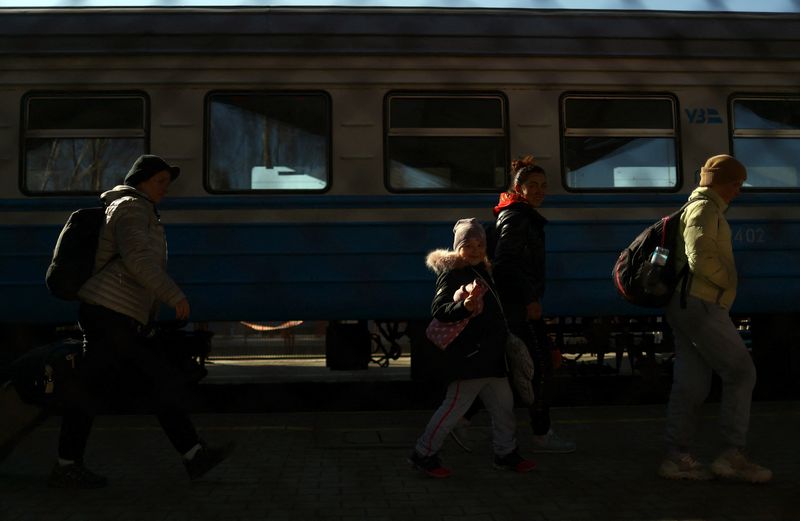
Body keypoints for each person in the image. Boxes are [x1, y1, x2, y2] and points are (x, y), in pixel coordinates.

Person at [49, 154, 234, 489]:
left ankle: (193, 454)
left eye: (167, 182)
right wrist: (173, 294)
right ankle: (68, 465)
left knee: (148, 384)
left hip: (117, 316)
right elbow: (137, 259)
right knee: (147, 384)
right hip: (110, 315)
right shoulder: (132, 208)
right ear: (142, 181)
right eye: (160, 181)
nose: (165, 188)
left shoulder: (137, 209)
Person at [657, 154, 771, 483]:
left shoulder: (703, 208)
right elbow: (701, 258)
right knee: (741, 373)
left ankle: (676, 456)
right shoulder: (705, 209)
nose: (738, 190)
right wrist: (730, 281)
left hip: (687, 304)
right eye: (735, 184)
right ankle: (732, 454)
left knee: (692, 384)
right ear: (720, 183)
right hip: (701, 303)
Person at [408, 218, 536, 478]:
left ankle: (505, 453)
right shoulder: (454, 272)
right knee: (453, 408)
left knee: (504, 407)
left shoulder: (482, 271)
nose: (475, 249)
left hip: (491, 357)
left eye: (480, 244)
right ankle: (423, 453)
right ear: (458, 247)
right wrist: (463, 307)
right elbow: (440, 309)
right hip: (470, 358)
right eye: (468, 244)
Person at [485, 155, 576, 453]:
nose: (540, 190)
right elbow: (505, 263)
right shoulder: (518, 217)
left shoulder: (518, 214)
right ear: (519, 188)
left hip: (518, 305)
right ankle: (541, 435)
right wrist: (529, 299)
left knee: (513, 370)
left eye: (543, 186)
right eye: (533, 185)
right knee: (539, 368)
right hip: (520, 307)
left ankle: (465, 420)